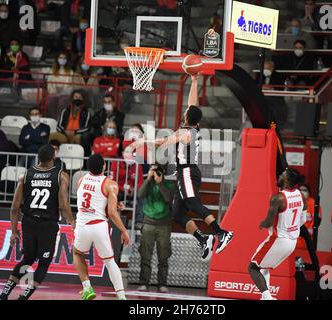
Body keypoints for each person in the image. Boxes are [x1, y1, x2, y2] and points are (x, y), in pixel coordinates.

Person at [128, 74, 234, 260]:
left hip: (187, 171)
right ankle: (203, 239)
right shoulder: (194, 126)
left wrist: (143, 141)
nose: (185, 112)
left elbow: (163, 141)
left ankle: (221, 232)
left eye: (186, 112)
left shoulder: (186, 132)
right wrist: (194, 81)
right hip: (184, 173)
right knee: (177, 214)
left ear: (186, 117)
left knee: (193, 203)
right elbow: (192, 105)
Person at [0, 144, 75, 300]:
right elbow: (64, 205)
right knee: (44, 263)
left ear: (38, 158)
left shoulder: (25, 176)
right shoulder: (61, 176)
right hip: (47, 225)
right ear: (54, 157)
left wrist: (14, 231)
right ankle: (24, 297)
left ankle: (3, 295)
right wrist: (72, 221)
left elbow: (14, 207)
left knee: (27, 259)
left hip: (28, 222)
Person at [73, 154, 129, 300]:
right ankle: (121, 296)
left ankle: (87, 288)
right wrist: (123, 230)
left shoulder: (80, 180)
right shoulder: (110, 184)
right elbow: (111, 212)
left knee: (78, 254)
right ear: (104, 166)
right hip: (98, 226)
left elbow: (92, 198)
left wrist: (114, 203)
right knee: (110, 261)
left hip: (82, 225)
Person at [248, 168, 307, 300]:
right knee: (265, 267)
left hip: (278, 240)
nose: (279, 176)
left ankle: (267, 297)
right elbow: (303, 219)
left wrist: (262, 224)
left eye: (282, 174)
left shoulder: (278, 198)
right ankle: (265, 298)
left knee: (252, 267)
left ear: (287, 180)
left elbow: (268, 223)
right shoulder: (300, 195)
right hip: (292, 243)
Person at [136, 164, 174, 293]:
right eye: (154, 171)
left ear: (163, 173)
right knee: (145, 256)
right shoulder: (148, 183)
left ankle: (161, 284)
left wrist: (160, 184)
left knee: (163, 257)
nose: (156, 174)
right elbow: (140, 195)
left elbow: (168, 198)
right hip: (148, 223)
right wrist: (148, 179)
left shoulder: (169, 185)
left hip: (164, 225)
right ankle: (144, 283)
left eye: (158, 172)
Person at [296, 183, 322, 249]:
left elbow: (317, 220)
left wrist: (309, 232)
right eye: (300, 190)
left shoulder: (313, 203)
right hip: (295, 237)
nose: (302, 192)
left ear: (309, 192)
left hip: (307, 238)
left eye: (305, 190)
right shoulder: (295, 202)